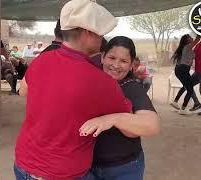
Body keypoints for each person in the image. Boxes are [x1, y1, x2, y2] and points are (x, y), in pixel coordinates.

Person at [14, 0, 132, 179]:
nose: (102, 37)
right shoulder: (101, 81)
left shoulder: (40, 61)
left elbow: (23, 91)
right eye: (99, 32)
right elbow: (129, 124)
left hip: (24, 164)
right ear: (87, 32)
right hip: (63, 173)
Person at [80, 36, 160, 180]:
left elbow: (151, 125)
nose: (116, 65)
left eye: (123, 61)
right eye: (112, 58)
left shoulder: (131, 88)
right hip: (86, 167)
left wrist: (112, 119)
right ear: (102, 57)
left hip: (124, 168)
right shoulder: (88, 79)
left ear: (131, 65)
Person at [170, 34, 201, 115]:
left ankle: (176, 102)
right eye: (190, 37)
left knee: (187, 87)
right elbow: (197, 39)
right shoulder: (187, 47)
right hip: (183, 70)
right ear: (187, 40)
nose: (192, 38)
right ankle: (183, 109)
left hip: (182, 70)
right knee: (190, 90)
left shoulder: (187, 48)